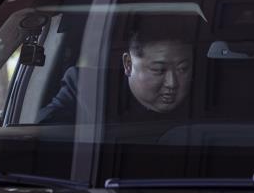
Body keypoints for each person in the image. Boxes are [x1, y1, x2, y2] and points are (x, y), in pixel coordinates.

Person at [36, 31, 193, 124]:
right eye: (159, 70)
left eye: (183, 69)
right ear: (128, 64)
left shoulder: (207, 98)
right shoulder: (87, 88)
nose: (172, 83)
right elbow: (46, 128)